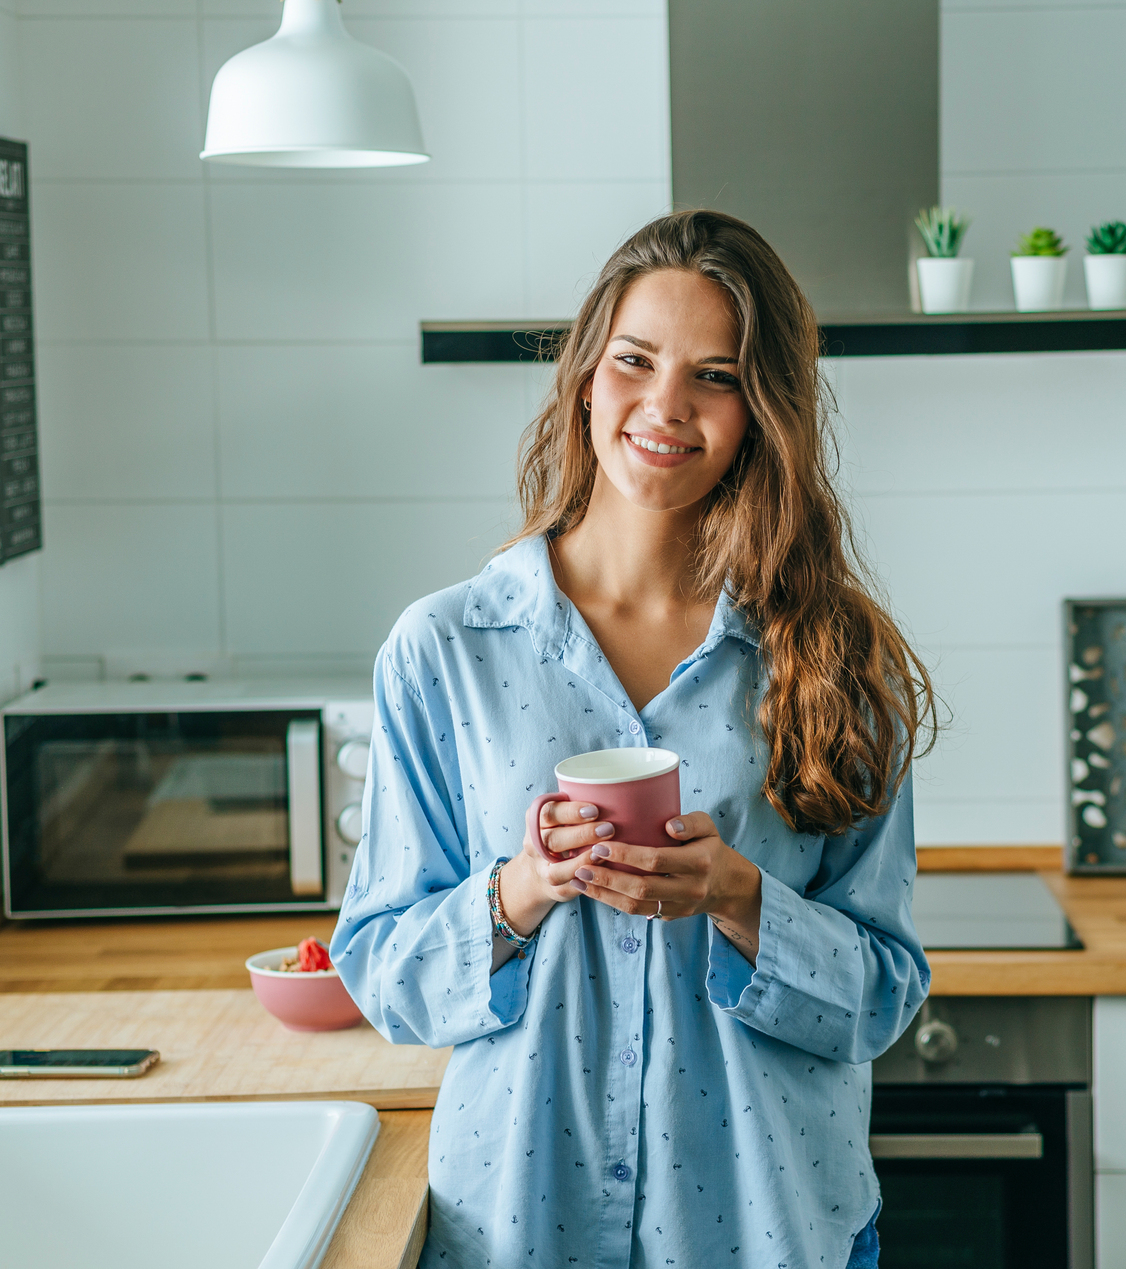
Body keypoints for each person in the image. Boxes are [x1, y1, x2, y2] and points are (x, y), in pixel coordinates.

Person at [330, 210, 937, 1269]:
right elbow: (382, 973)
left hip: (767, 1230)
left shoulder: (834, 657)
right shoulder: (445, 649)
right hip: (524, 1226)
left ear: (763, 413)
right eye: (635, 361)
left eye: (716, 375)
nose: (665, 406)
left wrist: (737, 897)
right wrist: (520, 891)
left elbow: (882, 992)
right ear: (582, 377)